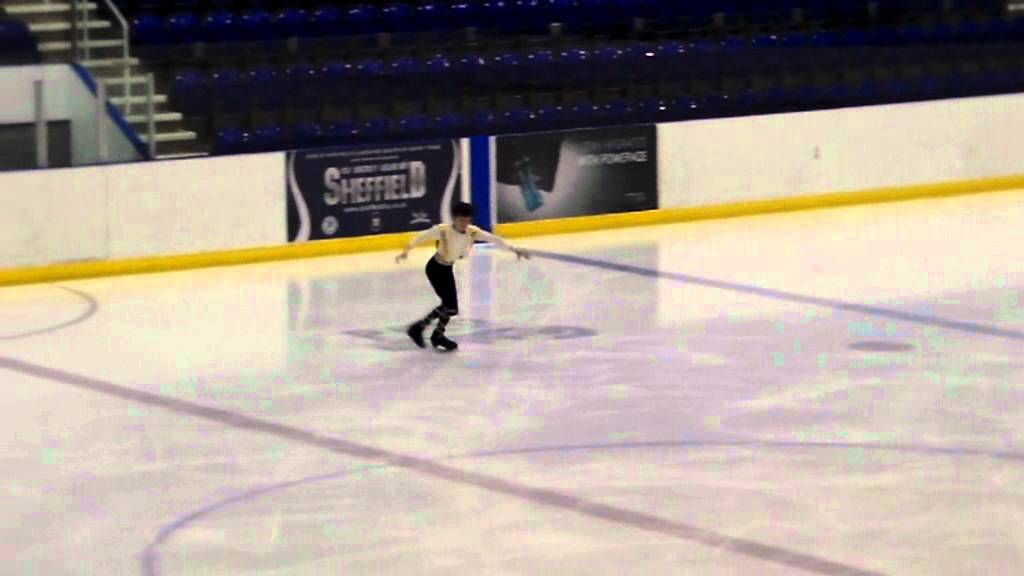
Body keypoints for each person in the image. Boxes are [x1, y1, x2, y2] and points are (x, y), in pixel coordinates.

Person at [395, 201, 530, 351]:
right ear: (454, 219)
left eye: (467, 220)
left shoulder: (472, 232)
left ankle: (429, 331)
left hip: (447, 269)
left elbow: (493, 239)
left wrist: (514, 249)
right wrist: (405, 251)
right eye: (461, 220)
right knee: (450, 305)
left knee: (451, 308)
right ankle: (425, 331)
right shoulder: (443, 230)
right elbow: (420, 237)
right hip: (435, 268)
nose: (464, 224)